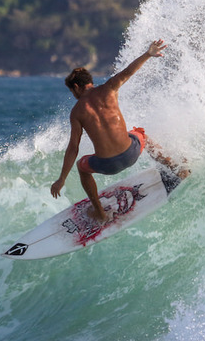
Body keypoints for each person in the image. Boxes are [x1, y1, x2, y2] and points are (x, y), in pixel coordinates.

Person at [50, 39, 169, 223]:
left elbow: (73, 148)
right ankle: (175, 168)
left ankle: (99, 212)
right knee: (141, 134)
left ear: (76, 88)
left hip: (106, 165)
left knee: (82, 167)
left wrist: (61, 179)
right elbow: (129, 71)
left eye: (72, 92)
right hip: (131, 154)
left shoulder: (77, 112)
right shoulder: (110, 88)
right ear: (90, 82)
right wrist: (148, 54)